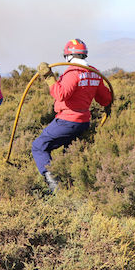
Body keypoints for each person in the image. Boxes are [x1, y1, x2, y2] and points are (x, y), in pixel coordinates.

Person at [32, 39, 112, 192]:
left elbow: (60, 94)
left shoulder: (73, 72)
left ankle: (54, 186)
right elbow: (104, 99)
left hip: (67, 121)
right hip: (83, 121)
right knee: (70, 152)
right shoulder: (94, 73)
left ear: (68, 55)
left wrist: (49, 77)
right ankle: (73, 185)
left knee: (38, 146)